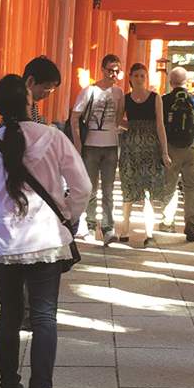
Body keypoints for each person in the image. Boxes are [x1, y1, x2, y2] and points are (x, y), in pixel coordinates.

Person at [0, 74, 91, 388]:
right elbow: (82, 185)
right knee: (44, 317)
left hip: (4, 240)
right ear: (29, 102)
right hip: (44, 238)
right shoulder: (52, 137)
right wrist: (70, 216)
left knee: (9, 315)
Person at [69, 53, 124, 245]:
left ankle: (108, 228)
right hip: (91, 145)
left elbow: (119, 118)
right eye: (110, 70)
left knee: (108, 190)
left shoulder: (119, 93)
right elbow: (75, 116)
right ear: (102, 69)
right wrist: (78, 143)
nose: (114, 74)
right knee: (90, 188)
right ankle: (90, 225)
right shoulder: (89, 91)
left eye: (117, 70)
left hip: (111, 145)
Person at [116, 63, 171, 247]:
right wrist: (133, 126)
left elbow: (160, 125)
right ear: (130, 77)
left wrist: (164, 152)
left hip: (151, 149)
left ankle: (149, 233)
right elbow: (118, 120)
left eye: (143, 75)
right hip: (130, 149)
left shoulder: (155, 98)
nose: (140, 79)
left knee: (149, 191)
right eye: (137, 75)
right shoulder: (125, 99)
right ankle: (125, 229)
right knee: (129, 188)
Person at [160, 66, 194, 242]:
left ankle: (168, 220)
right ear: (186, 82)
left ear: (171, 82)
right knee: (192, 187)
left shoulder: (164, 100)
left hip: (172, 148)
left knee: (170, 185)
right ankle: (191, 223)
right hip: (192, 147)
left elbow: (159, 126)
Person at [22, 55, 61, 124]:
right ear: (31, 81)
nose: (47, 95)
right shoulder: (20, 104)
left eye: (51, 91)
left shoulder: (32, 102)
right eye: (46, 89)